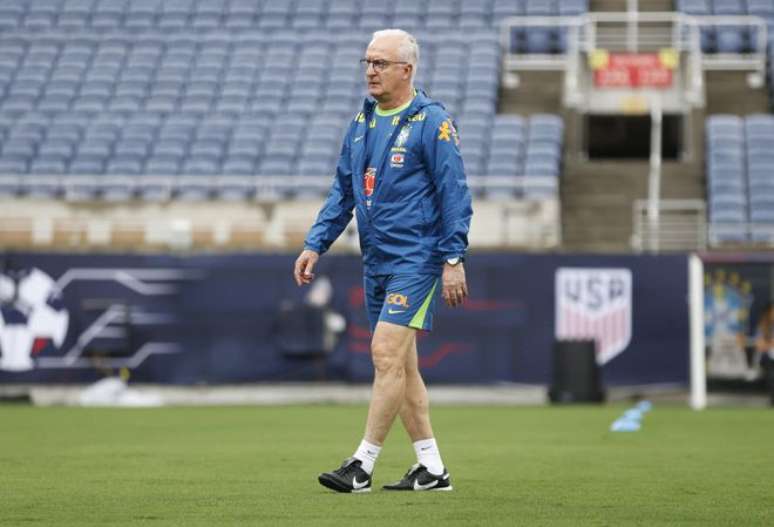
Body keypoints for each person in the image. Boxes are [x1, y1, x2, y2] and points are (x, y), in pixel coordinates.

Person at [293, 28, 472, 493]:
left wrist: (453, 256)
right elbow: (343, 191)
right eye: (367, 62)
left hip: (417, 258)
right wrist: (316, 243)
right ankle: (432, 468)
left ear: (406, 70)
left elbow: (455, 193)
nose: (370, 71)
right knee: (404, 367)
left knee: (385, 354)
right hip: (376, 260)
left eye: (380, 63)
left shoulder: (432, 123)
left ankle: (361, 465)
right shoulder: (362, 122)